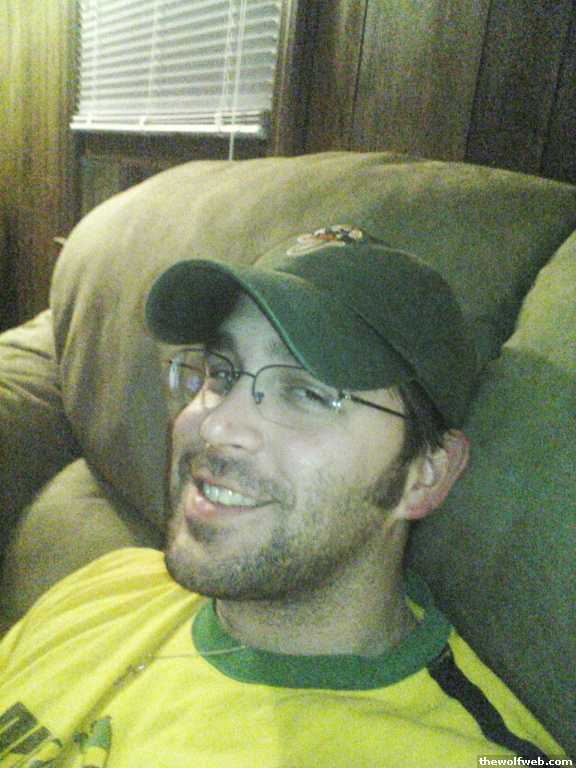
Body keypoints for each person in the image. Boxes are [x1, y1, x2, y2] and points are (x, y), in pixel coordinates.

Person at [0, 226, 566, 767]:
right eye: (221, 373)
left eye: (306, 393)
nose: (216, 425)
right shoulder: (106, 585)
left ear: (426, 475)